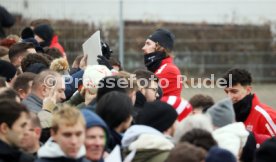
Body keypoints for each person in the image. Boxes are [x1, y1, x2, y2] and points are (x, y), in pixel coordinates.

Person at [222, 68, 276, 137]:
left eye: (234, 91)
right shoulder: (227, 115)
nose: (229, 97)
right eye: (227, 92)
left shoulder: (266, 116)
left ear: (248, 90)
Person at [142, 28, 182, 98]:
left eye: (148, 44)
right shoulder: (156, 68)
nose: (143, 48)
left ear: (160, 48)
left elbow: (142, 94)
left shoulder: (169, 70)